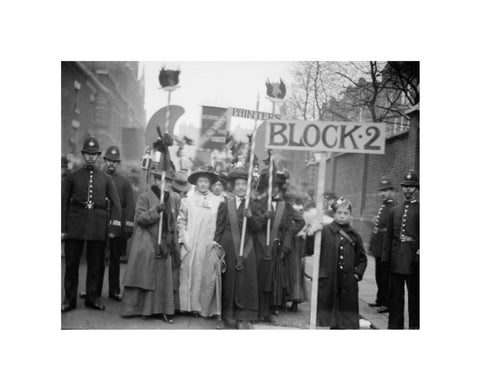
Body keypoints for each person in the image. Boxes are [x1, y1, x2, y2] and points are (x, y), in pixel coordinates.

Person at [61, 136, 122, 312]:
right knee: (71, 265)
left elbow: (116, 205)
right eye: (87, 154)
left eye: (93, 154)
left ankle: (92, 298)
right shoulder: (72, 178)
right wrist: (63, 230)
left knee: (95, 265)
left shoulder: (106, 179)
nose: (90, 157)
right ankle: (69, 300)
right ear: (83, 154)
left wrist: (112, 228)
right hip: (75, 225)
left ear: (97, 156)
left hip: (97, 226)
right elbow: (64, 204)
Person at [120, 168, 181, 322]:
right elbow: (139, 218)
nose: (167, 184)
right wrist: (156, 210)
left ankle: (164, 310)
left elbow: (174, 222)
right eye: (164, 180)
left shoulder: (173, 198)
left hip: (166, 245)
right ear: (157, 180)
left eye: (169, 181)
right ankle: (143, 309)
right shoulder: (145, 197)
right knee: (147, 276)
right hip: (148, 242)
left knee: (164, 278)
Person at [213, 167, 262, 329]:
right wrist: (216, 246)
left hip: (247, 249)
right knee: (228, 281)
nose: (241, 187)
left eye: (244, 184)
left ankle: (243, 317)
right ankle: (227, 316)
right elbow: (219, 228)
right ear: (233, 187)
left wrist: (251, 217)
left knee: (245, 282)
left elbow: (257, 228)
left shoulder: (254, 205)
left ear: (247, 187)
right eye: (238, 184)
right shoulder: (225, 204)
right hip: (228, 247)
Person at [177, 166, 223, 317]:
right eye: (200, 181)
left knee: (207, 274)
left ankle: (204, 308)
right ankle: (187, 306)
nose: (203, 184)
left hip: (209, 242)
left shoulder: (218, 201)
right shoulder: (188, 201)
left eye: (206, 181)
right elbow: (181, 221)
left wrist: (216, 242)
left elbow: (221, 222)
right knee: (189, 272)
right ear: (196, 183)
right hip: (192, 241)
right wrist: (184, 238)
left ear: (210, 184)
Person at [316, 197, 367, 329]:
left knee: (346, 321)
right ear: (334, 214)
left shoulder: (354, 234)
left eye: (346, 213)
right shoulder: (325, 231)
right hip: (330, 281)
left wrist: (356, 275)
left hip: (348, 283)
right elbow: (313, 251)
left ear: (350, 214)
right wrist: (313, 232)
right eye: (339, 213)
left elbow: (362, 258)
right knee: (331, 318)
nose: (342, 216)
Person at [95, 146, 135, 301]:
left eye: (114, 162)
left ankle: (114, 291)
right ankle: (94, 290)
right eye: (109, 161)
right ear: (104, 160)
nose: (111, 164)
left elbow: (130, 205)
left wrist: (127, 227)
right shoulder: (98, 177)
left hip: (117, 227)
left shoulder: (124, 182)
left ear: (118, 163)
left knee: (115, 259)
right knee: (96, 259)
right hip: (99, 225)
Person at [382, 170, 420, 329]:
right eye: (405, 187)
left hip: (413, 260)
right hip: (397, 260)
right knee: (396, 296)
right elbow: (388, 237)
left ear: (416, 189)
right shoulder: (395, 210)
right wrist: (386, 258)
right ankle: (395, 326)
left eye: (411, 187)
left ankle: (415, 326)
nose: (408, 190)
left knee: (415, 296)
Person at [368, 177, 397, 313]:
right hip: (379, 247)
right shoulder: (384, 205)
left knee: (385, 276)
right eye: (382, 191)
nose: (384, 193)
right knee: (379, 275)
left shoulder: (393, 206)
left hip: (386, 248)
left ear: (392, 192)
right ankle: (380, 299)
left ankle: (387, 303)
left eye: (387, 190)